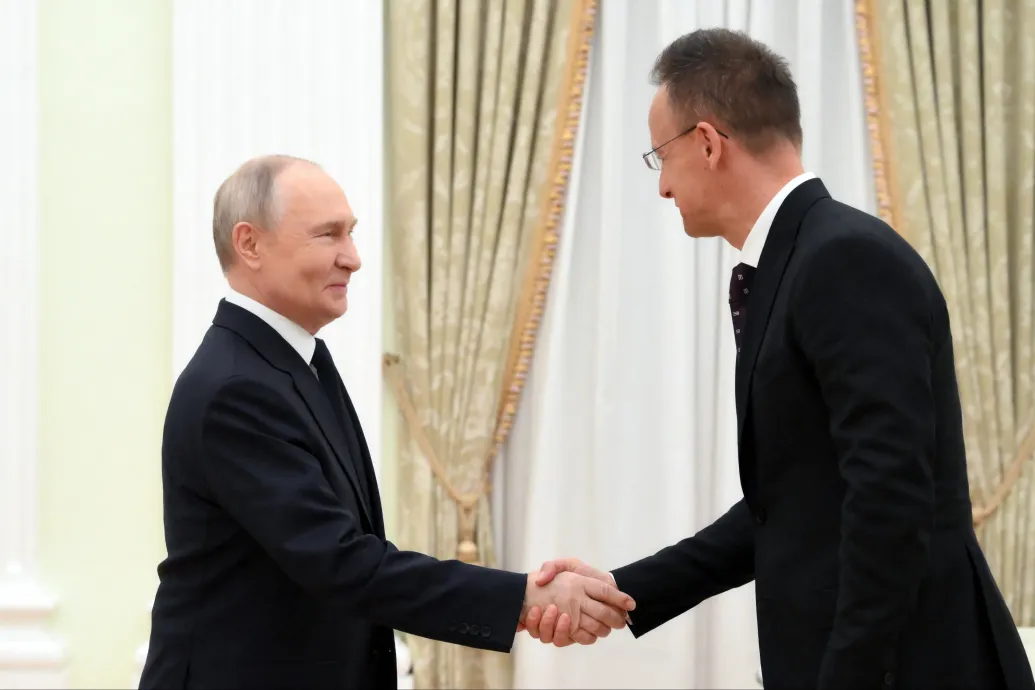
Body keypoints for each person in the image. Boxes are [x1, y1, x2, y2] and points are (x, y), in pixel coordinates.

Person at [523, 28, 1035, 690]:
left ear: (708, 143)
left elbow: (891, 501)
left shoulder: (845, 260)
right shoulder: (797, 262)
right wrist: (624, 589)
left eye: (660, 157)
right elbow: (790, 505)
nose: (662, 188)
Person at [139, 155, 635, 690]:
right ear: (249, 244)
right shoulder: (236, 388)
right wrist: (522, 597)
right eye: (328, 235)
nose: (352, 258)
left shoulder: (293, 364)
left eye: (350, 233)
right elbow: (342, 563)